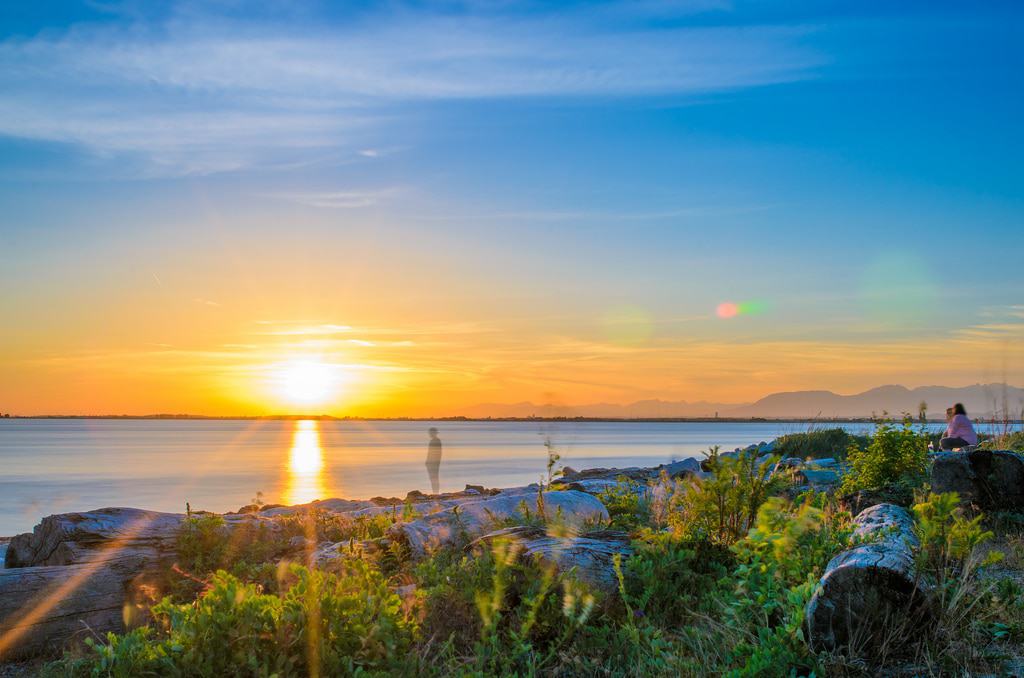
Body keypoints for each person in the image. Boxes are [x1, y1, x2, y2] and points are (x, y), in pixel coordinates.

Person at [425, 427, 442, 495]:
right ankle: (435, 492)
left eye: (431, 433)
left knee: (434, 478)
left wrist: (433, 462)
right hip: (432, 462)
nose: (429, 434)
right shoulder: (434, 441)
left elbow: (436, 453)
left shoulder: (436, 441)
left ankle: (435, 493)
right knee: (433, 478)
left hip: (434, 463)